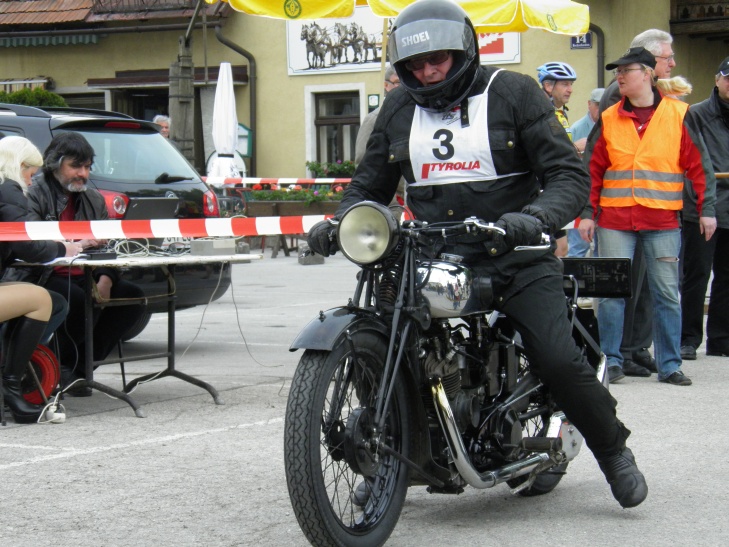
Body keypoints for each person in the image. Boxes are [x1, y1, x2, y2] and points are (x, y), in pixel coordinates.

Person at [308, 0, 647, 509]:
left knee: (556, 358)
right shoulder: (398, 110)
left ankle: (613, 451)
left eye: (437, 60)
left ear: (464, 51)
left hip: (515, 254)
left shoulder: (514, 93)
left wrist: (534, 217)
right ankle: (392, 451)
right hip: (431, 255)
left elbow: (567, 175)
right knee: (382, 338)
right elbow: (368, 186)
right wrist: (341, 221)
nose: (427, 72)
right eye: (416, 64)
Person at [579, 47, 716, 387]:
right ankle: (610, 362)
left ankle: (669, 365)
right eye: (617, 72)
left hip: (662, 220)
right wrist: (586, 214)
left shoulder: (679, 114)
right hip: (615, 220)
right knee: (610, 295)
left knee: (666, 294)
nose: (619, 77)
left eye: (626, 71)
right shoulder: (609, 117)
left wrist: (707, 210)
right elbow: (592, 169)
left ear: (647, 74)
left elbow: (700, 166)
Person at [4, 132, 146, 397]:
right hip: (42, 274)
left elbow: (108, 248)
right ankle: (54, 368)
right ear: (54, 164)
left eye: (88, 167)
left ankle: (77, 371)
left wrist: (106, 277)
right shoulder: (32, 193)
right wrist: (78, 243)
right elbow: (33, 246)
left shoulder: (94, 199)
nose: (83, 173)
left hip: (86, 273)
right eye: (75, 166)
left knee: (132, 298)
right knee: (77, 300)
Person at [589, 29, 679, 378]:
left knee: (646, 289)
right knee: (625, 287)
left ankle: (635, 351)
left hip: (656, 212)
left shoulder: (672, 106)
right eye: (667, 58)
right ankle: (622, 353)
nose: (672, 64)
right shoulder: (621, 97)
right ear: (650, 64)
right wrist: (587, 212)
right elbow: (596, 163)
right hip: (621, 213)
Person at [0, 137, 82, 343]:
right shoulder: (9, 189)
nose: (30, 182)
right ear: (20, 165)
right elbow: (25, 246)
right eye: (30, 175)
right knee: (55, 303)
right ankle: (11, 362)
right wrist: (62, 248)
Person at [680, 57, 729, 359]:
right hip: (701, 207)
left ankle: (721, 339)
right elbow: (692, 162)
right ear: (717, 80)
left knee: (727, 276)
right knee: (696, 275)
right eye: (728, 78)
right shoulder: (696, 114)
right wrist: (702, 206)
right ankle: (688, 338)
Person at [536, 61, 579, 257]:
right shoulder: (541, 112)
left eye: (571, 84)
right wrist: (575, 148)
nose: (570, 89)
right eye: (565, 84)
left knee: (561, 249)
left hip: (559, 186)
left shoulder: (560, 112)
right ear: (548, 86)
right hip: (544, 190)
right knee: (554, 249)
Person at [355, 65, 404, 206]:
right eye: (397, 82)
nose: (402, 87)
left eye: (404, 82)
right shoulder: (374, 119)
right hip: (391, 203)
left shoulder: (415, 115)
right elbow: (363, 162)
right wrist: (392, 202)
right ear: (386, 86)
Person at [567, 88, 606, 258]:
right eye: (597, 105)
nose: (600, 109)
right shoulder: (578, 128)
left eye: (604, 105)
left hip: (602, 196)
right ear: (589, 104)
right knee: (578, 247)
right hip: (581, 193)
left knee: (601, 250)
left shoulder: (610, 125)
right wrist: (576, 148)